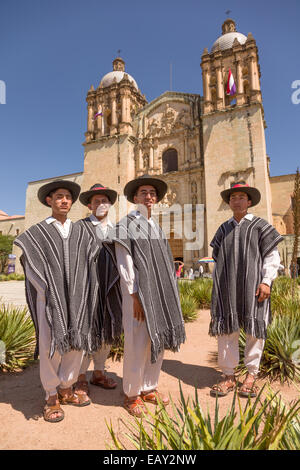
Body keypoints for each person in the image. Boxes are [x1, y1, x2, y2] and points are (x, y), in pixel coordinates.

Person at [14, 180, 101, 423]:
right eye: (59, 197)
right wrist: (46, 292)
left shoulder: (83, 231)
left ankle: (67, 387)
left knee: (75, 345)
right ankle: (51, 395)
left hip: (77, 298)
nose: (64, 200)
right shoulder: (37, 232)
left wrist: (83, 291)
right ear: (49, 201)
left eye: (68, 197)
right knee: (50, 346)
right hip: (49, 299)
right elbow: (29, 264)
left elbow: (91, 261)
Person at [104, 174, 186, 417]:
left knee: (155, 341)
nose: (148, 197)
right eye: (143, 193)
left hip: (158, 296)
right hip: (137, 296)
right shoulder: (126, 224)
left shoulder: (155, 227)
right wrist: (134, 294)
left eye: (152, 193)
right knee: (137, 342)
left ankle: (149, 387)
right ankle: (131, 393)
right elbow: (124, 262)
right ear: (134, 198)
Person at [209, 183, 283, 398]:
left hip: (255, 286)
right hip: (227, 288)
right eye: (233, 197)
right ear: (229, 202)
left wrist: (267, 280)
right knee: (226, 331)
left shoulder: (261, 226)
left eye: (241, 197)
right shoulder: (223, 229)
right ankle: (229, 376)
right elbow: (217, 258)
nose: (237, 200)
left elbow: (272, 256)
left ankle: (251, 375)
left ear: (249, 202)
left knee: (254, 331)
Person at [74, 184, 122, 398]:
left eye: (104, 201)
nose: (101, 204)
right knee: (86, 331)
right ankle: (81, 377)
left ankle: (99, 372)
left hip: (111, 288)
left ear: (109, 204)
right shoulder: (79, 228)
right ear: (89, 205)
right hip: (86, 288)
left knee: (107, 330)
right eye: (97, 201)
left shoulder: (117, 229)